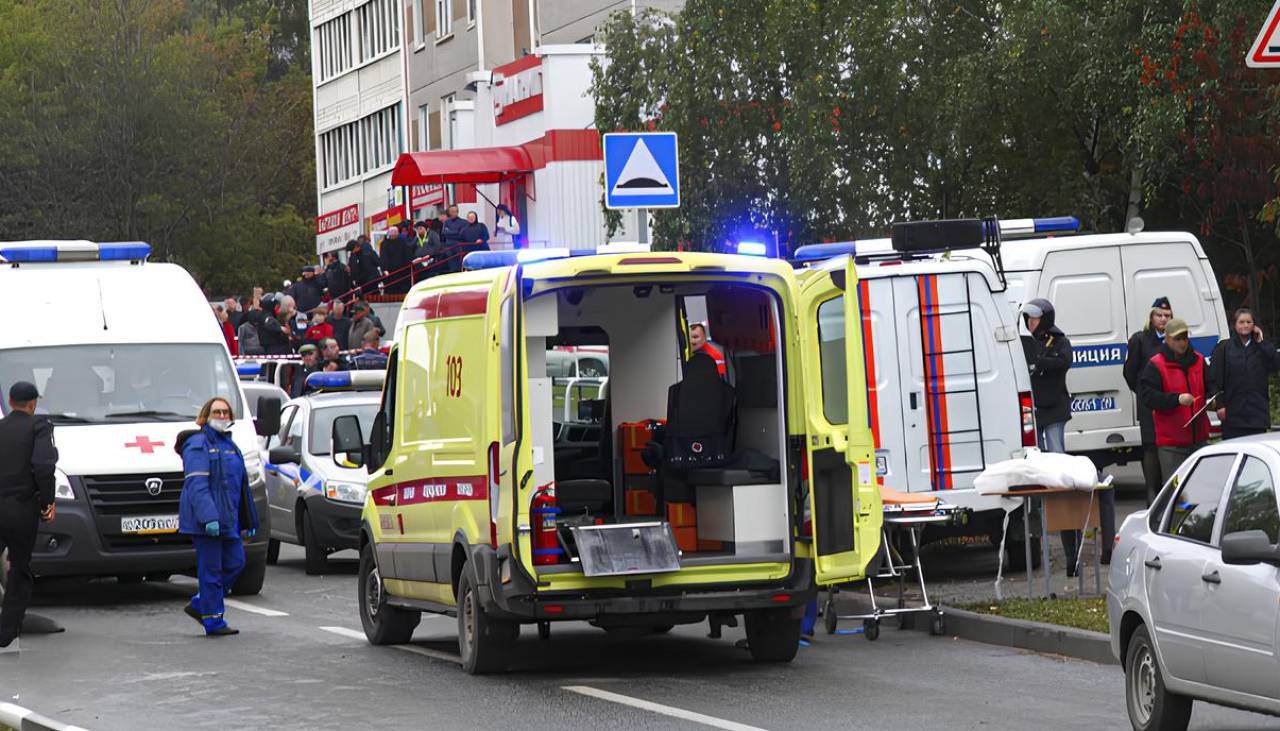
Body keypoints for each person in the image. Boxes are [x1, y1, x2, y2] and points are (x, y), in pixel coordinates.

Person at [1021, 299, 1094, 572]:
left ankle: (1060, 496)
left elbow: (1063, 362)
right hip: (1035, 407)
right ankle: (1041, 499)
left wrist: (1039, 363)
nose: (1031, 323)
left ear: (1046, 318)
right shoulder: (1026, 341)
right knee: (1036, 455)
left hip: (1054, 406)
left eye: (1035, 318)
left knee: (1056, 451)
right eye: (1028, 318)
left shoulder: (1058, 339)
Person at [176, 397, 259, 637]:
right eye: (217, 412)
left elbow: (241, 487)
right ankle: (213, 621)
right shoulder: (197, 444)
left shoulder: (231, 446)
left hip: (229, 520)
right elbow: (197, 485)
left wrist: (249, 520)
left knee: (236, 563)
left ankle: (202, 604)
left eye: (226, 412)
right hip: (207, 523)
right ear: (205, 415)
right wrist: (208, 518)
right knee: (211, 571)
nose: (222, 416)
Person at [0, 382, 58, 647]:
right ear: (33, 404)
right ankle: (7, 632)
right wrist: (47, 501)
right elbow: (43, 466)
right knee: (19, 568)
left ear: (10, 401)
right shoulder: (39, 426)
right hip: (22, 507)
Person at [1140, 317, 1212, 483]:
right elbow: (1148, 396)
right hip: (1171, 443)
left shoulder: (1199, 360)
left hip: (1199, 438)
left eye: (1185, 338)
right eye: (1177, 339)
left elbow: (1211, 385)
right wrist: (1176, 399)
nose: (1182, 343)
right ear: (1167, 339)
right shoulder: (1156, 364)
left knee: (1201, 487)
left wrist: (1214, 401)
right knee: (1177, 493)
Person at [1123, 296, 1173, 505]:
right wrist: (1144, 394)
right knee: (1151, 447)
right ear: (1151, 317)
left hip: (1170, 402)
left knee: (1168, 447)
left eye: (1167, 316)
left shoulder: (1175, 338)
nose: (1162, 319)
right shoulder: (1140, 340)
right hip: (1149, 404)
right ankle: (1152, 495)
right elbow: (1129, 372)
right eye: (1159, 315)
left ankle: (1170, 496)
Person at [1210, 308, 1280, 440]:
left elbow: (1275, 364)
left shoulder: (1261, 347)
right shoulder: (1224, 348)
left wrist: (1261, 342)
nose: (1245, 325)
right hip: (1233, 413)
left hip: (1256, 413)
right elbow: (1215, 379)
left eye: (1249, 322)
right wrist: (1220, 405)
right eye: (1241, 322)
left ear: (1254, 325)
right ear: (1234, 324)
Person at [441, 205, 468, 274]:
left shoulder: (463, 222)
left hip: (459, 247)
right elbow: (444, 232)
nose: (453, 213)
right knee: (451, 266)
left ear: (457, 212)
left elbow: (461, 234)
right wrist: (455, 232)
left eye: (455, 211)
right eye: (451, 211)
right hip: (449, 247)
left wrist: (450, 232)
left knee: (460, 265)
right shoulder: (446, 222)